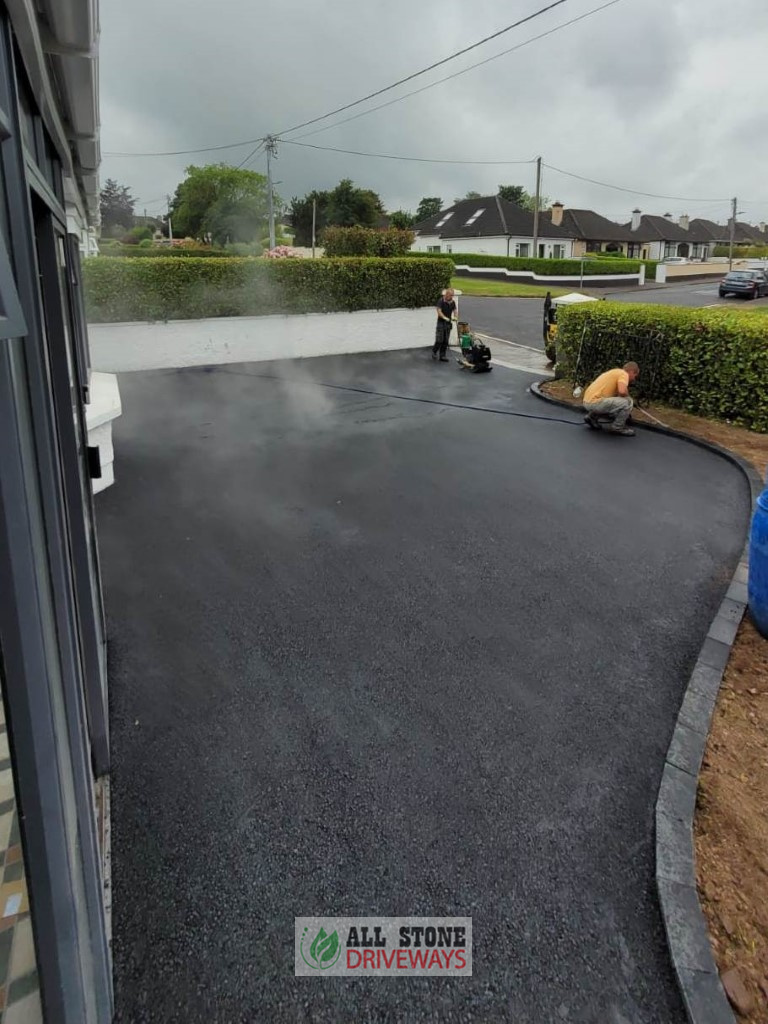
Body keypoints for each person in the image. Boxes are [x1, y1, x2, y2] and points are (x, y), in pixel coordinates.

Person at [583, 361, 640, 436]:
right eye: (635, 376)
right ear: (632, 372)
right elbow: (622, 391)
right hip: (595, 403)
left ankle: (591, 417)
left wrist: (626, 414)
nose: (634, 379)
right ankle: (617, 427)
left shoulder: (614, 372)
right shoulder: (624, 374)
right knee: (628, 402)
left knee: (614, 402)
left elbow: (616, 399)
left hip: (587, 401)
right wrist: (630, 399)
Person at [433, 288, 456, 361]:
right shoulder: (441, 301)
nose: (452, 297)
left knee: (446, 340)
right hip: (441, 323)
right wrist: (444, 317)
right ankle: (434, 351)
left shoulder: (452, 302)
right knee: (439, 340)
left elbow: (455, 311)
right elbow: (439, 312)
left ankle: (442, 356)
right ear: (446, 294)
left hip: (448, 324)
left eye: (452, 295)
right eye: (450, 295)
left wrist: (455, 317)